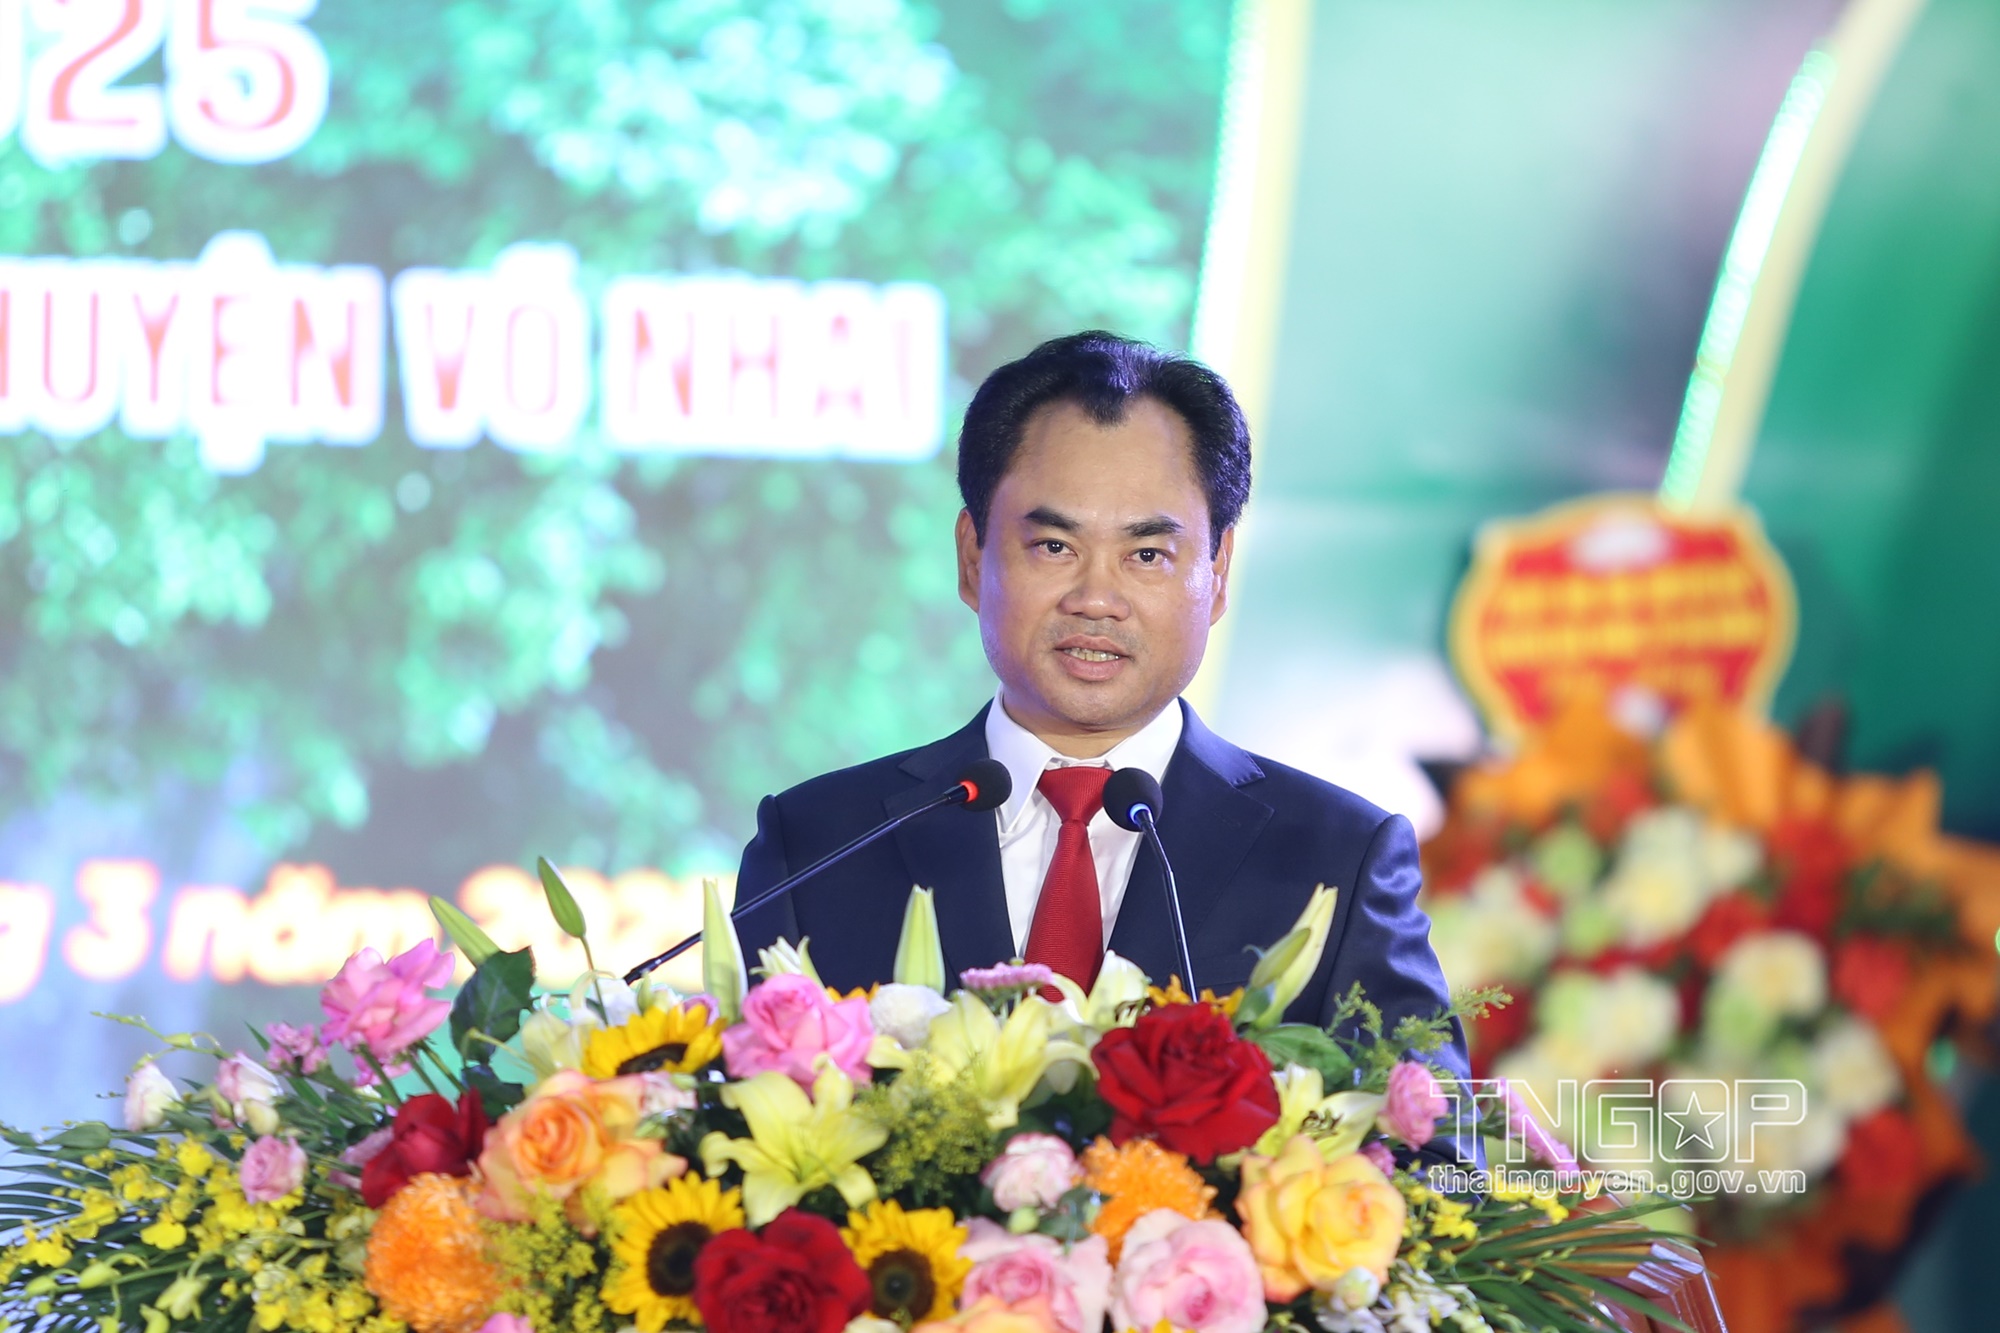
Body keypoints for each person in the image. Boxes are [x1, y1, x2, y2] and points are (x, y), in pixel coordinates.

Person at [734, 331, 1468, 1100]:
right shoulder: (818, 844)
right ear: (971, 556)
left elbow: (1444, 1146)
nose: (1096, 599)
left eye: (1146, 555)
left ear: (1216, 573)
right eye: (1054, 545)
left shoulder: (1338, 858)